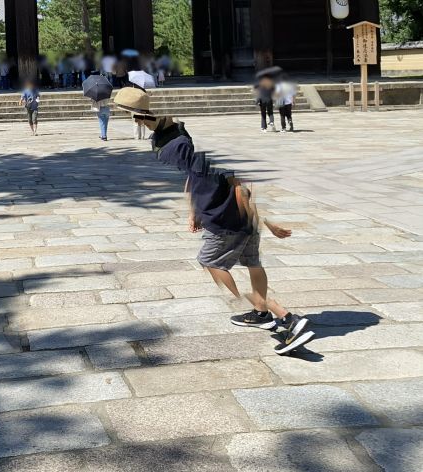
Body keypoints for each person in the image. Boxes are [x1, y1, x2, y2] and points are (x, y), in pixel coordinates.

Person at [114, 87, 315, 355]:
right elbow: (197, 176)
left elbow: (235, 184)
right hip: (241, 219)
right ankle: (261, 313)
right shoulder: (179, 138)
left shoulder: (178, 146)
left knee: (211, 262)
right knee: (252, 262)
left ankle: (285, 317)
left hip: (225, 219)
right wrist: (194, 211)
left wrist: (266, 221)